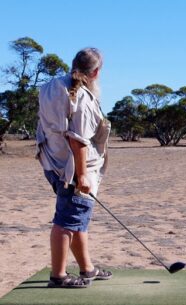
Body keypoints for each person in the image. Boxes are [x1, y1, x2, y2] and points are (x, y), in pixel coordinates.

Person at [36, 48, 112, 288]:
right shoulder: (83, 98)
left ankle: (87, 269)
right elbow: (77, 140)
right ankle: (58, 275)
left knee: (77, 219)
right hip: (74, 170)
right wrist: (82, 176)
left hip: (53, 163)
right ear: (96, 72)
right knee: (66, 221)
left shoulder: (51, 86)